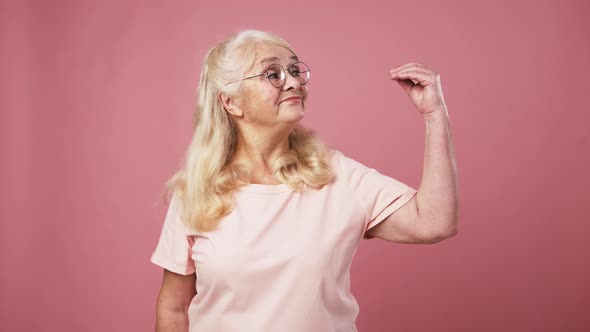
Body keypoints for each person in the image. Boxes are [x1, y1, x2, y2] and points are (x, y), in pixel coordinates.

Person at [150, 29, 459, 332]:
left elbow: (434, 221)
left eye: (295, 70)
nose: (294, 81)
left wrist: (435, 115)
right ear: (232, 102)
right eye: (273, 74)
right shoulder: (197, 190)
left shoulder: (338, 175)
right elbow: (174, 308)